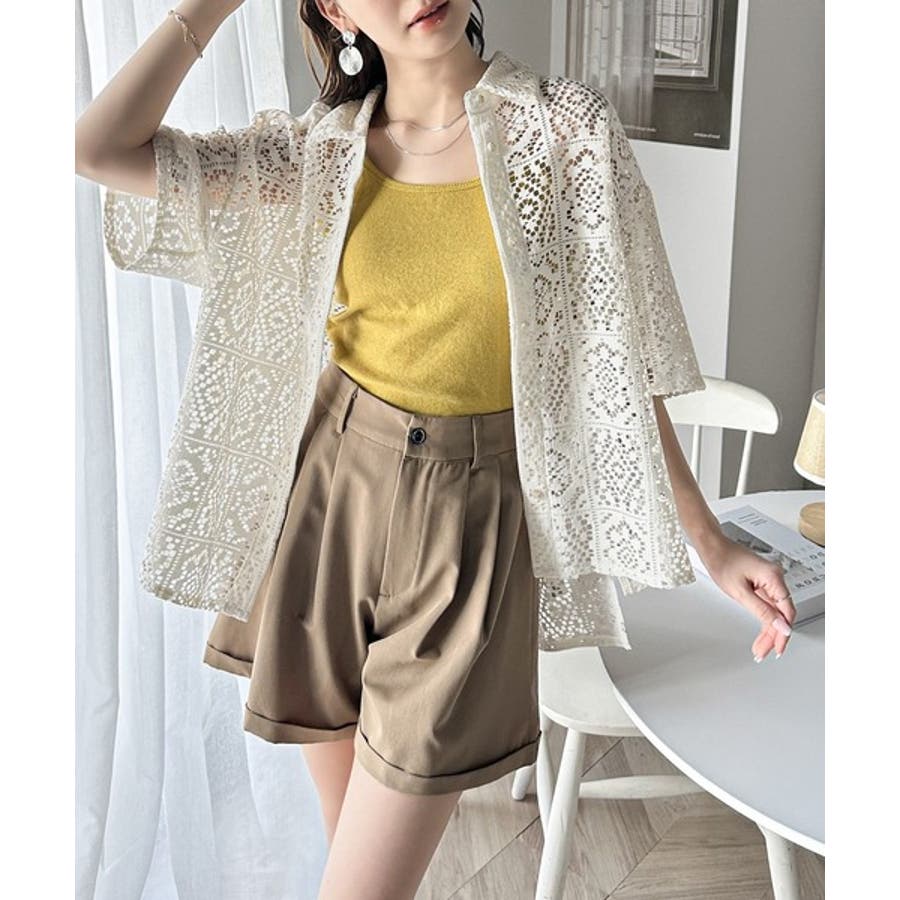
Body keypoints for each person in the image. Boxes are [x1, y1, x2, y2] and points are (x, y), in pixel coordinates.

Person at [74, 2, 797, 897]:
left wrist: (711, 542)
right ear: (334, 9)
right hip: (327, 505)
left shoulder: (563, 133)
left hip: (473, 526)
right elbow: (101, 148)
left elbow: (619, 358)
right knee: (354, 864)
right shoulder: (316, 154)